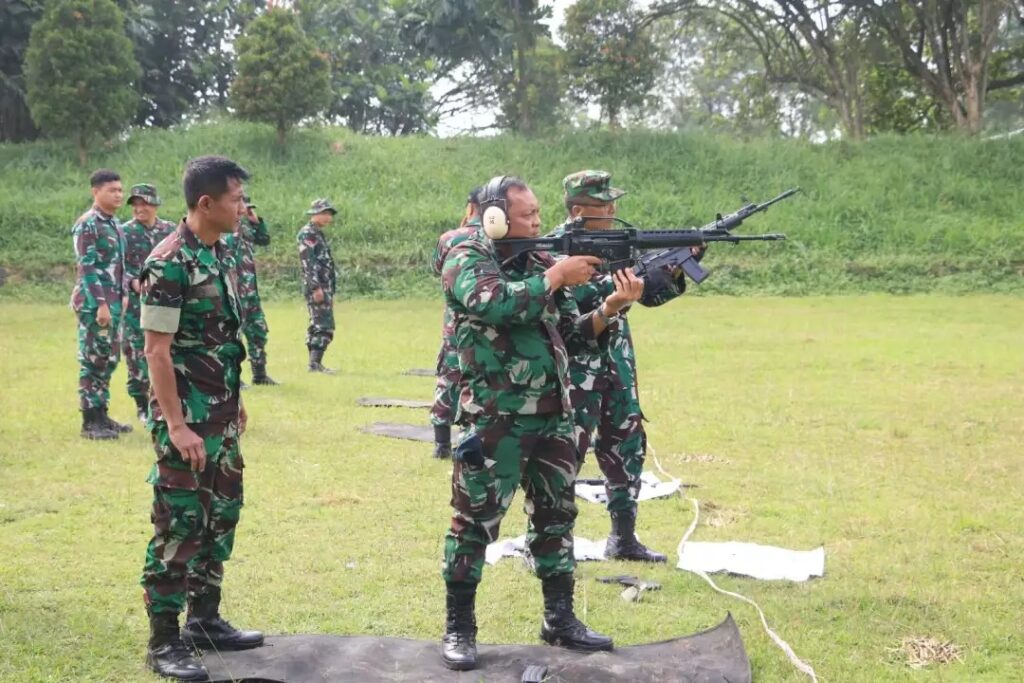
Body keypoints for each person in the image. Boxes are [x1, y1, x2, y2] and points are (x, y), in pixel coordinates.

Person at [439, 175, 645, 670]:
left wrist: (614, 305)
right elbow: (492, 302)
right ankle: (460, 629)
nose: (537, 221)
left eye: (536, 212)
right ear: (494, 216)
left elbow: (575, 332)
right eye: (527, 214)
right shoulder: (465, 251)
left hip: (554, 416)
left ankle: (559, 618)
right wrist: (555, 276)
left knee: (556, 520)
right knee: (474, 523)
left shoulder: (535, 260)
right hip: (495, 417)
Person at [139, 156, 263, 681]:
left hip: (221, 414)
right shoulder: (168, 263)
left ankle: (204, 621)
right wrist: (177, 425)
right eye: (236, 199)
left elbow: (220, 341)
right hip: (187, 419)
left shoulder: (221, 251)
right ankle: (164, 641)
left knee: (220, 516)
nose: (244, 208)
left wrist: (234, 403)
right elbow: (156, 352)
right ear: (206, 203)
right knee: (180, 523)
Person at [555, 169, 696, 563]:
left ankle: (623, 537)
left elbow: (646, 296)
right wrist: (624, 287)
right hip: (574, 369)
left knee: (626, 445)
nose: (614, 209)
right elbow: (576, 299)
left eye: (614, 202)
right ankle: (551, 544)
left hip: (616, 364)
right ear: (579, 210)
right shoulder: (554, 248)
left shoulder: (616, 245)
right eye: (605, 204)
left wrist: (672, 267)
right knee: (564, 454)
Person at [71, 168, 131, 439]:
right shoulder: (88, 224)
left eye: (120, 190)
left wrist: (125, 295)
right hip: (95, 304)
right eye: (112, 190)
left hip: (116, 301)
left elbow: (121, 265)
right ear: (96, 192)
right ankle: (89, 422)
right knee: (93, 359)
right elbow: (87, 268)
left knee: (108, 358)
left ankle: (102, 415)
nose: (118, 195)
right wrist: (101, 305)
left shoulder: (115, 224)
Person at [429, 186, 482, 459]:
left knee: (449, 376)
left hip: (456, 322)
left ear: (470, 207)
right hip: (491, 324)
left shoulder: (451, 238)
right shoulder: (506, 237)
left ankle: (441, 444)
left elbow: (438, 268)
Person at [121, 183, 176, 422]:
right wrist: (133, 283)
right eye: (135, 204)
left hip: (167, 301)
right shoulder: (124, 232)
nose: (139, 208)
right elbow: (118, 266)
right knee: (136, 353)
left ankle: (169, 403)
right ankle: (143, 405)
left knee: (170, 352)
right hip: (137, 304)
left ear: (155, 204)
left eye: (143, 203)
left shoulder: (170, 230)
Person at [223, 194, 277, 385]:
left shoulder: (246, 228)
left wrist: (256, 221)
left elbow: (264, 239)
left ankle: (260, 374)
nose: (244, 209)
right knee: (232, 336)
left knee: (258, 331)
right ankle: (234, 377)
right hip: (232, 293)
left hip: (250, 292)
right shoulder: (224, 231)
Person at [297, 198, 339, 373]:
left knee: (318, 323)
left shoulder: (317, 233)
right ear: (317, 214)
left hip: (324, 285)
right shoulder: (308, 234)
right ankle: (315, 363)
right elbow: (308, 262)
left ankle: (314, 363)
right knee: (323, 324)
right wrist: (316, 287)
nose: (329, 218)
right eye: (326, 214)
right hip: (318, 286)